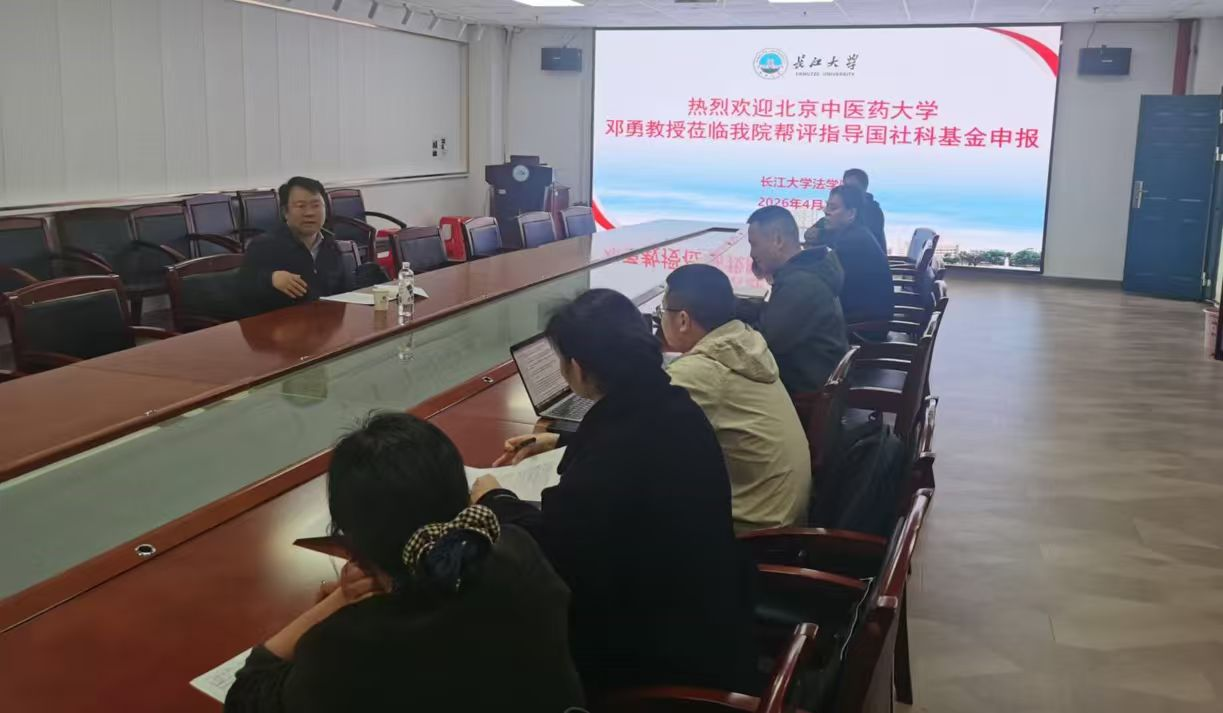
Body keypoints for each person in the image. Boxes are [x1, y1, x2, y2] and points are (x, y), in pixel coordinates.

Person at [469, 289, 754, 696]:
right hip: (709, 615)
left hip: (653, 658)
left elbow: (554, 548)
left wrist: (494, 500)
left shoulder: (617, 451)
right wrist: (561, 440)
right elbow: (628, 460)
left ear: (577, 368)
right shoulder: (670, 403)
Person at [225, 412, 585, 713]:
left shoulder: (350, 647)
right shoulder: (519, 552)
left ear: (353, 541)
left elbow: (246, 694)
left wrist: (338, 600)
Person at [658, 264, 811, 533]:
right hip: (783, 516)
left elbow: (636, 424)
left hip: (756, 533)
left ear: (683, 320)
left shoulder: (703, 372)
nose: (660, 321)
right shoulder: (744, 342)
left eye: (662, 312)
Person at [742, 206, 849, 393]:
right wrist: (738, 307)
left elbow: (761, 347)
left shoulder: (800, 284)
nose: (752, 253)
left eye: (754, 244)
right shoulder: (809, 269)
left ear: (778, 240)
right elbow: (777, 316)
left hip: (803, 391)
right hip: (814, 373)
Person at [238, 176, 356, 315]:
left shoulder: (331, 246)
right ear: (285, 212)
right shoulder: (263, 246)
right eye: (301, 206)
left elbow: (343, 294)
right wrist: (270, 279)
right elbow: (242, 289)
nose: (309, 213)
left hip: (326, 323)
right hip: (280, 325)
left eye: (316, 205)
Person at [806, 185, 895, 328]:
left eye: (833, 208)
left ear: (851, 213)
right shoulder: (854, 233)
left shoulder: (854, 242)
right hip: (861, 316)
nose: (826, 211)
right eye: (827, 206)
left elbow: (822, 281)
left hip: (865, 327)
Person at [841, 168, 886, 251]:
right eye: (845, 187)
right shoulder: (846, 207)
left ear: (864, 188)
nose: (848, 191)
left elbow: (857, 239)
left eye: (852, 188)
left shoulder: (873, 211)